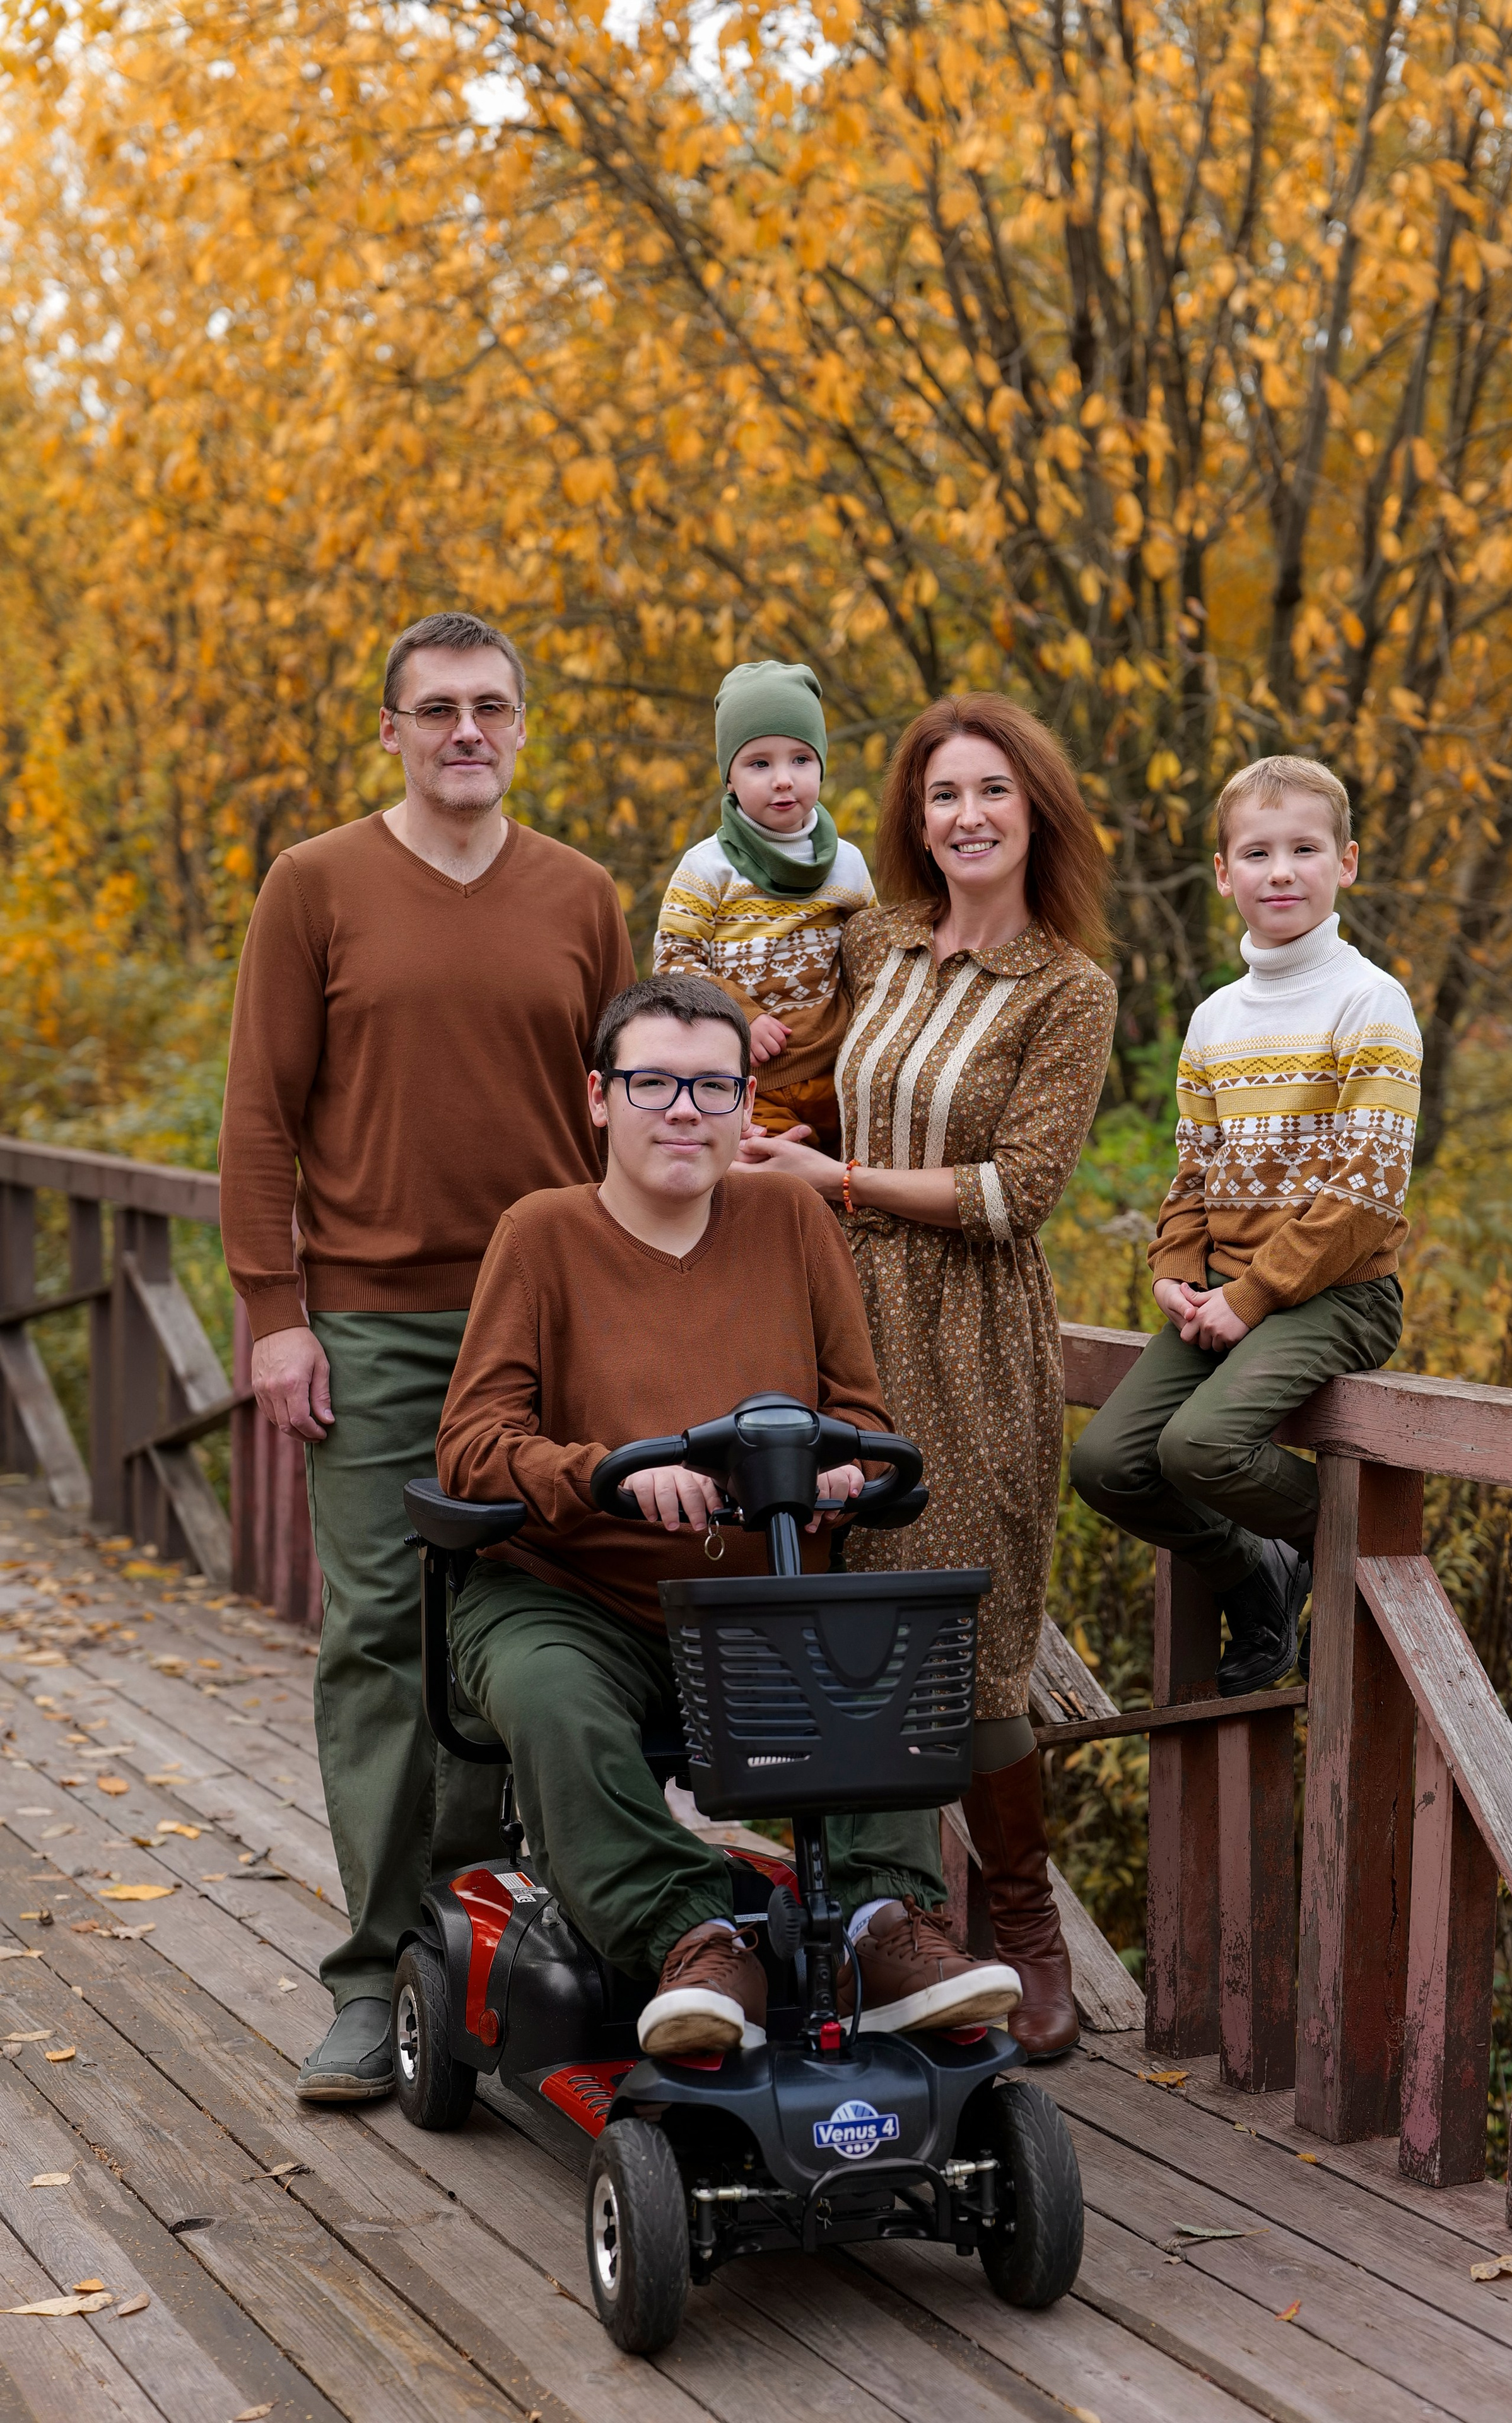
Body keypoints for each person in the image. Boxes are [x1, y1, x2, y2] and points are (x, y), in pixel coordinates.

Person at [435, 973, 1023, 2055]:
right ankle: (692, 1938)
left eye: (712, 1087)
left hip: (762, 1595)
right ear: (600, 1098)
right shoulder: (542, 1234)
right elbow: (471, 1447)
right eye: (652, 1084)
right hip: (573, 1595)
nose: (683, 1111)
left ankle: (887, 1925)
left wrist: (845, 1465)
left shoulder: (792, 1218)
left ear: (746, 1103)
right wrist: (607, 1475)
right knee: (553, 1697)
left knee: (878, 1660)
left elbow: (860, 1412)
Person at [219, 610, 635, 2101]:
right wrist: (275, 1310)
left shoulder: (582, 896)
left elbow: (629, 1107)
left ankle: (493, 1950)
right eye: (438, 707)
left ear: (521, 725)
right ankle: (374, 1970)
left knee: (539, 1630)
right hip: (374, 1326)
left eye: (491, 706)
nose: (467, 730)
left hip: (549, 1324)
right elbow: (260, 1110)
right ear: (391, 730)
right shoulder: (317, 884)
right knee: (386, 1642)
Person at [732, 695, 1116, 2061]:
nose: (967, 816)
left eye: (992, 791)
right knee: (830, 1611)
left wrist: (834, 1180)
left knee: (971, 1635)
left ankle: (1024, 1924)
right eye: (943, 794)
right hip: (827, 1310)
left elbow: (1019, 1192)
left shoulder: (1068, 988)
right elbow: (774, 1034)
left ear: (1035, 812)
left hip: (968, 1331)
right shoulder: (873, 941)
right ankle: (876, 1920)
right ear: (913, 818)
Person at [1070, 754, 1421, 1692]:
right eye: (1257, 853)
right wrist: (1176, 1269)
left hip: (1340, 1294)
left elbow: (1366, 1190)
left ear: (1346, 863)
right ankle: (1255, 1570)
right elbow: (1195, 1168)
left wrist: (1254, 1296)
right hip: (1227, 1294)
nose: (1281, 872)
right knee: (1107, 1463)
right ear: (1224, 874)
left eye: (1304, 849)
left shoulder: (1370, 1001)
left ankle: (1359, 1539)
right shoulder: (1216, 1018)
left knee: (1200, 1447)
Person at [654, 660, 874, 1151]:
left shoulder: (847, 864)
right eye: (759, 764)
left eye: (801, 760)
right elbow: (673, 964)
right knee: (771, 1181)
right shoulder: (706, 868)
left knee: (847, 1186)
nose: (783, 780)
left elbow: (873, 963)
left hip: (840, 1074)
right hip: (751, 1081)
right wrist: (741, 1017)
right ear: (729, 778)